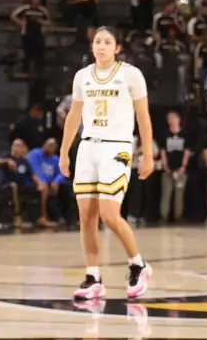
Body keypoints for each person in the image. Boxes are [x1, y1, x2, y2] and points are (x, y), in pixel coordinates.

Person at [58, 26, 154, 301]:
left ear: (117, 48)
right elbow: (73, 117)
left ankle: (138, 264)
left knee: (109, 215)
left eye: (107, 41)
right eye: (97, 41)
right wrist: (65, 152)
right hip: (88, 146)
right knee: (86, 217)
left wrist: (148, 154)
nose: (101, 46)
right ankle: (93, 276)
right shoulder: (82, 76)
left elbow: (144, 117)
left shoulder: (131, 75)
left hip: (118, 147)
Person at [159, 111, 190, 224]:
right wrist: (165, 165)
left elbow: (187, 151)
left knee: (179, 193)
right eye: (169, 119)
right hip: (168, 168)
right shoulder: (165, 134)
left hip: (180, 169)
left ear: (178, 119)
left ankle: (178, 216)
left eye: (174, 118)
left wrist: (183, 166)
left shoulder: (184, 134)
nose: (172, 121)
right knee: (166, 192)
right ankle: (164, 216)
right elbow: (162, 151)